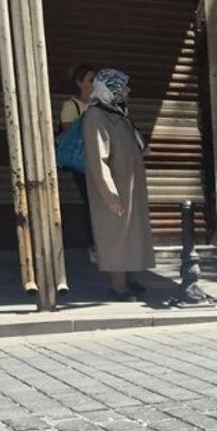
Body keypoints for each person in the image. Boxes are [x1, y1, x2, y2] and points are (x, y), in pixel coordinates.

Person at [81, 69, 154, 301]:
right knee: (114, 236)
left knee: (130, 234)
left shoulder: (119, 113)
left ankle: (129, 278)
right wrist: (110, 194)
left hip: (129, 186)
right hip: (114, 190)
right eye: (123, 86)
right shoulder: (96, 116)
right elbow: (97, 158)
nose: (128, 91)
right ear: (111, 88)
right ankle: (117, 287)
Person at [60, 64, 96, 260]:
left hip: (101, 160)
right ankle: (93, 244)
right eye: (91, 80)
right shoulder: (71, 106)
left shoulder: (100, 104)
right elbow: (69, 133)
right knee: (91, 201)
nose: (94, 84)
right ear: (79, 83)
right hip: (82, 162)